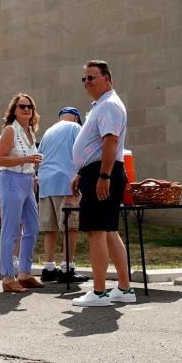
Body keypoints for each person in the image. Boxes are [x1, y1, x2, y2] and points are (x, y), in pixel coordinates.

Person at [70, 60, 135, 306]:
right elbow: (98, 145)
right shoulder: (101, 105)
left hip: (103, 172)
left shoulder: (109, 104)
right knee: (108, 231)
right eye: (84, 78)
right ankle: (125, 289)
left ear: (107, 78)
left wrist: (103, 176)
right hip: (96, 171)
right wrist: (81, 172)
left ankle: (98, 292)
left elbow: (110, 141)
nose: (86, 82)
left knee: (96, 231)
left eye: (92, 77)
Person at [0, 93, 43, 292]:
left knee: (32, 227)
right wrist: (26, 161)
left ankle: (24, 273)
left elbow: (30, 160)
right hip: (11, 180)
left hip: (26, 182)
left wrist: (32, 176)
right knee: (11, 229)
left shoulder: (30, 131)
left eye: (29, 106)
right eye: (22, 106)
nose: (26, 109)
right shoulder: (9, 130)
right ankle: (7, 277)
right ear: (14, 110)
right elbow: (1, 159)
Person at [38, 107, 86, 283]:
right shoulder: (75, 128)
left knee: (50, 228)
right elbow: (83, 152)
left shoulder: (48, 132)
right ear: (75, 118)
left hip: (45, 184)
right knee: (70, 226)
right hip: (66, 182)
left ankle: (49, 267)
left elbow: (39, 156)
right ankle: (67, 267)